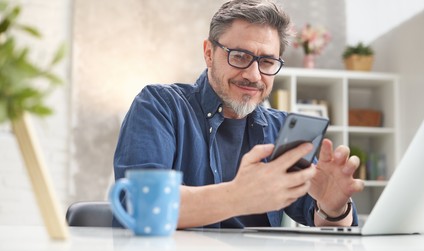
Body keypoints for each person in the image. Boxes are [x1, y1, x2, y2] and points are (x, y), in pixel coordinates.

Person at [113, 0, 364, 229]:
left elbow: (320, 218)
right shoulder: (159, 106)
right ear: (209, 53)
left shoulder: (281, 129)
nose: (254, 76)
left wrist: (333, 207)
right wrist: (239, 196)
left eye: (267, 62)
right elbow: (141, 206)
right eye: (240, 56)